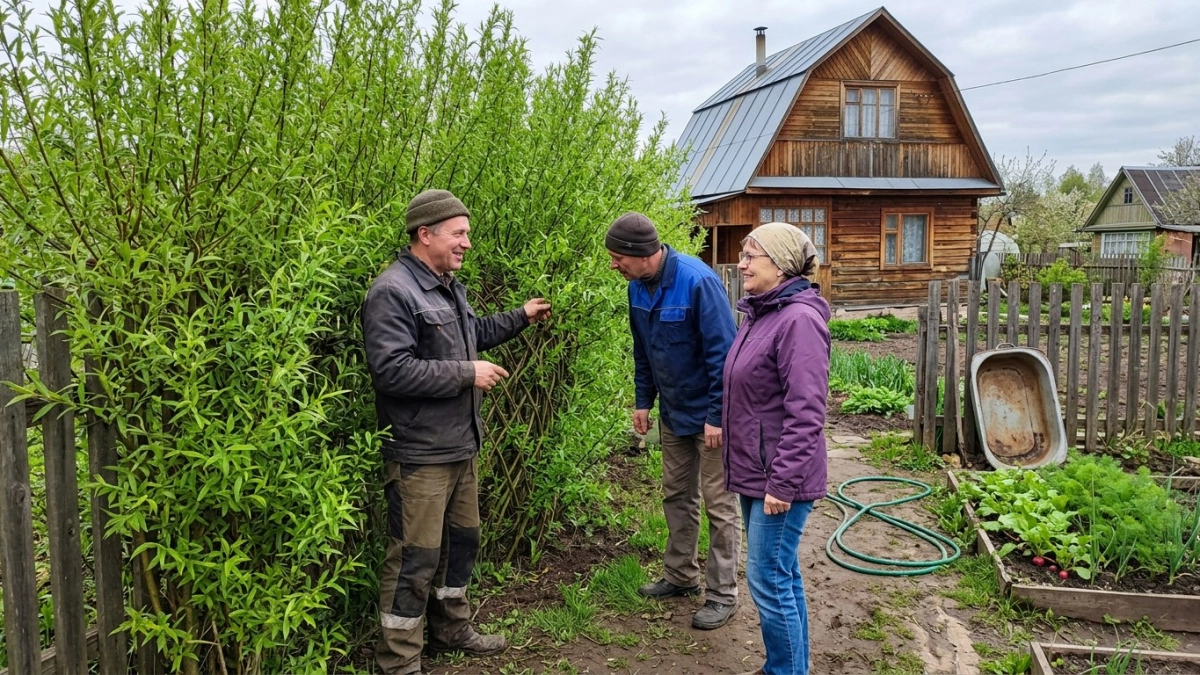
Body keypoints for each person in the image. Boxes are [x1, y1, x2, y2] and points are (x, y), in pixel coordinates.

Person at [363, 189, 552, 675]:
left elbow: (471, 336)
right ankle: (400, 660)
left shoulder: (446, 284)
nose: (467, 243)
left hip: (460, 446)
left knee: (460, 545)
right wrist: (467, 374)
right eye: (459, 233)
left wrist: (521, 317)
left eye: (467, 233)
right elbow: (392, 371)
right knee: (413, 558)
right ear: (425, 235)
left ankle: (451, 630)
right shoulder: (392, 291)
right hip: (420, 454)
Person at [604, 211, 741, 630]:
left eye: (616, 258)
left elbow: (725, 356)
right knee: (676, 495)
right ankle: (681, 576)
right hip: (674, 412)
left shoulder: (698, 282)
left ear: (640, 254)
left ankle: (722, 594)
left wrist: (717, 417)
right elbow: (642, 352)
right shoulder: (635, 289)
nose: (613, 266)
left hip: (711, 416)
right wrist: (643, 401)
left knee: (720, 506)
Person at [722, 222, 830, 675]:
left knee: (767, 578)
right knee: (781, 575)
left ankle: (784, 671)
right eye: (744, 254)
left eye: (752, 255)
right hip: (757, 468)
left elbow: (806, 412)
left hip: (779, 477)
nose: (741, 263)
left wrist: (782, 483)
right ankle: (790, 668)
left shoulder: (798, 320)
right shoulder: (762, 313)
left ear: (781, 265)